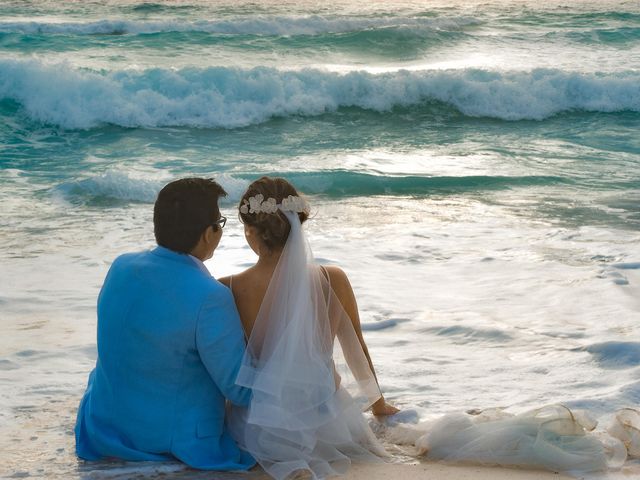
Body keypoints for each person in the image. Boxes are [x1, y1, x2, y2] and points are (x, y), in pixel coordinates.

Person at [219, 177, 398, 480]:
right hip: (327, 419)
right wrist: (379, 405)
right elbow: (358, 350)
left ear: (250, 231)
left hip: (261, 423)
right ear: (297, 223)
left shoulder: (229, 289)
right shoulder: (333, 279)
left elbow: (224, 365)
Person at [75, 178, 255, 471]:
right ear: (208, 234)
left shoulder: (121, 266)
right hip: (168, 440)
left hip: (101, 427)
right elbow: (240, 389)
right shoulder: (210, 296)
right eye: (219, 223)